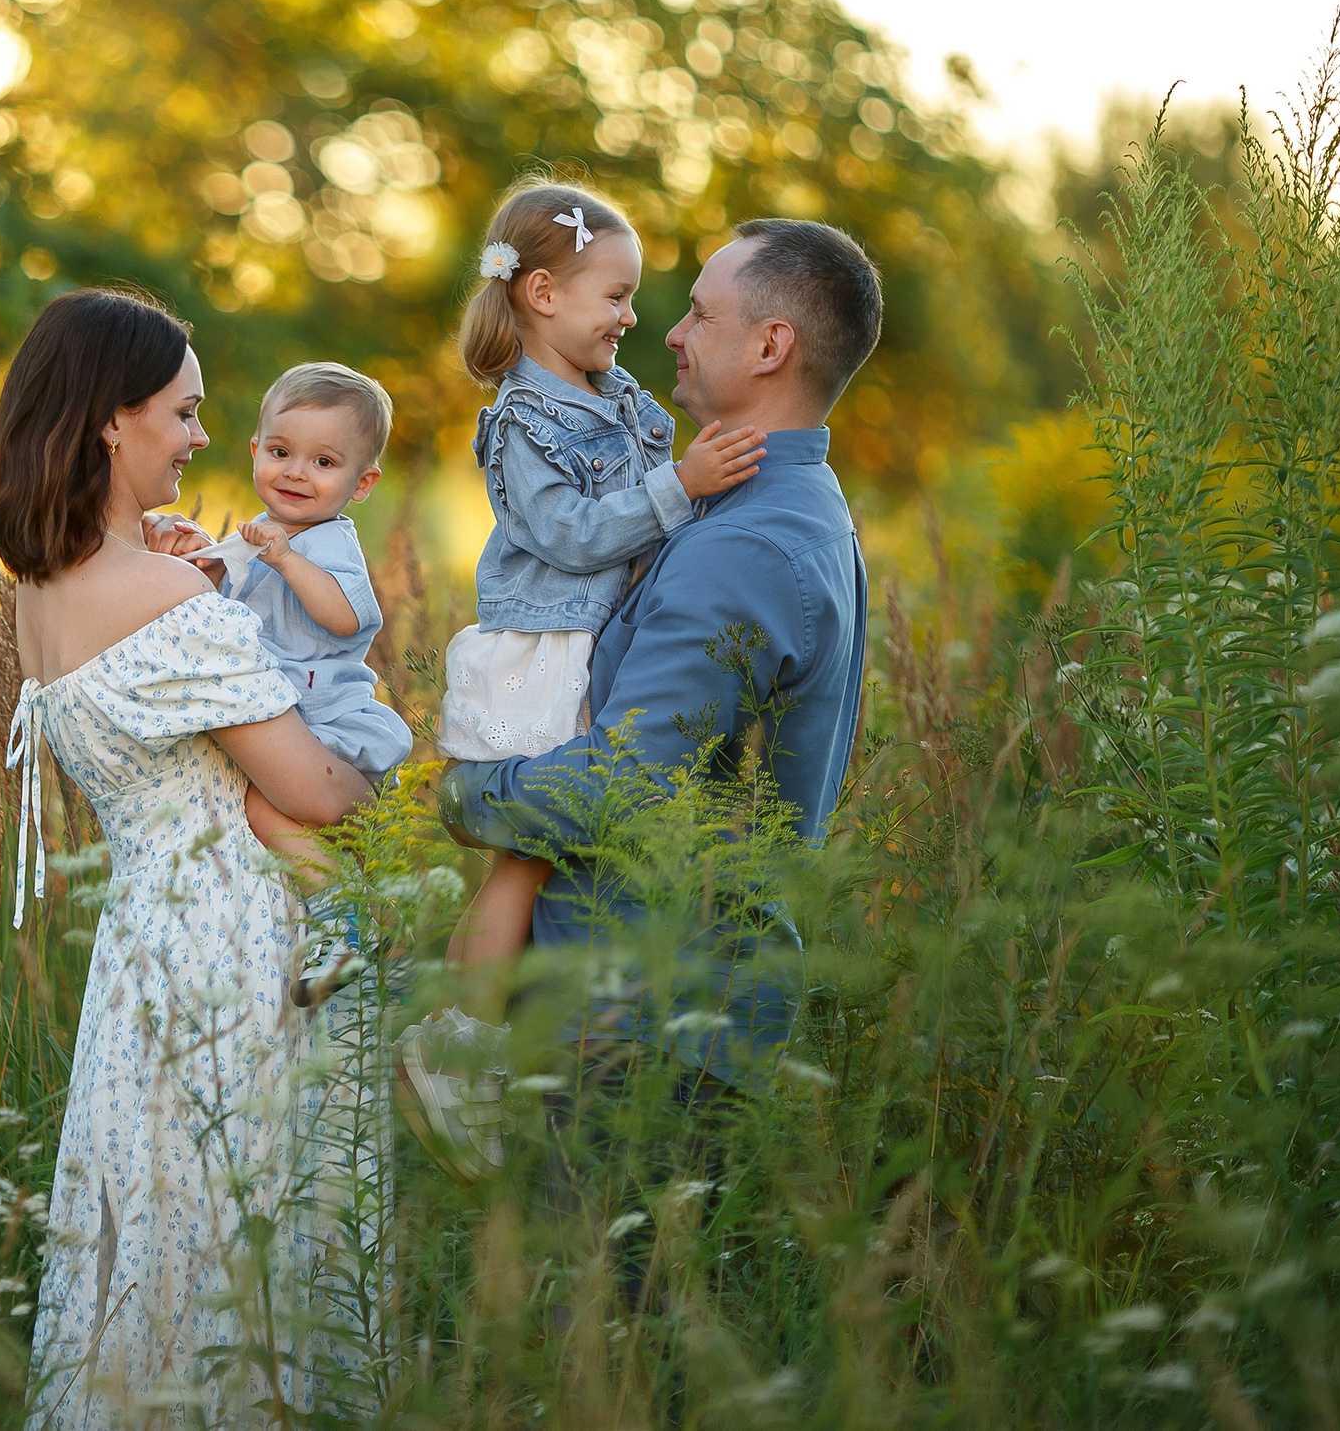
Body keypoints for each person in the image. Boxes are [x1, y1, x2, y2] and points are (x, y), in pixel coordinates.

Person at [0, 289, 375, 1430]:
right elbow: (309, 791)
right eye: (185, 413)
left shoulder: (46, 589)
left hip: (144, 946)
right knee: (240, 1244)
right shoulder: (161, 597)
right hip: (234, 948)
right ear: (113, 420)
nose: (203, 439)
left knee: (152, 1235)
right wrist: (376, 769)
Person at [431, 218, 881, 1160]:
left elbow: (623, 783)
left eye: (700, 312)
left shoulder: (746, 548)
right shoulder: (763, 507)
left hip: (644, 1027)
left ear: (771, 346)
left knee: (604, 1304)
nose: (670, 331)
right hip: (646, 1007)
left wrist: (467, 794)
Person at [428, 184, 762, 1036]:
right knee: (527, 859)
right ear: (541, 294)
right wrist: (680, 485)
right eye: (614, 297)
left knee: (542, 858)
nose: (630, 318)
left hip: (594, 638)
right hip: (550, 645)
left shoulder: (613, 394)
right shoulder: (520, 422)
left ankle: (489, 1031)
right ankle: (457, 1044)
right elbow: (572, 536)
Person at [190, 362, 413, 1006]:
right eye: (282, 452)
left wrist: (285, 558)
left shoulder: (327, 543)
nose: (295, 473)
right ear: (255, 450)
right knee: (272, 819)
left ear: (361, 483)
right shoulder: (262, 538)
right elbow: (226, 612)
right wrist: (204, 560)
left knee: (264, 809)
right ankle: (362, 927)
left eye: (323, 462)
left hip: (326, 719)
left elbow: (348, 617)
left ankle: (347, 921)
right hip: (288, 719)